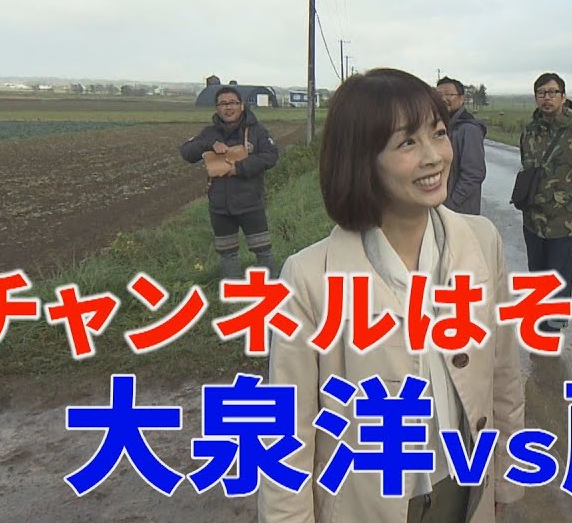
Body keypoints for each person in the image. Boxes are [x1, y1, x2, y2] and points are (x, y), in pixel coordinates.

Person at [258, 68, 525, 523]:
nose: (434, 157)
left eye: (438, 133)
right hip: (363, 503)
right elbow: (288, 432)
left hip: (463, 489)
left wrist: (504, 475)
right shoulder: (309, 277)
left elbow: (502, 371)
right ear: (362, 159)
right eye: (407, 143)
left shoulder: (481, 240)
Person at [517, 73, 572, 332]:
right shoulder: (530, 131)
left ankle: (553, 325)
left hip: (563, 221)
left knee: (559, 273)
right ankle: (538, 318)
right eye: (541, 93)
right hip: (533, 217)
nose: (547, 98)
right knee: (537, 272)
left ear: (563, 96)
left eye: (552, 92)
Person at [179, 85, 279, 279]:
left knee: (263, 251)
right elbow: (186, 152)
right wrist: (209, 145)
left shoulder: (257, 131)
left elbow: (271, 156)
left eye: (232, 103)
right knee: (227, 255)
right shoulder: (209, 133)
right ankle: (232, 292)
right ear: (217, 108)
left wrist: (239, 168)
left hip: (251, 204)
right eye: (223, 104)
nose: (228, 107)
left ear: (241, 105)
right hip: (220, 208)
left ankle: (272, 288)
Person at [436, 76, 488, 215]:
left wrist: (451, 204)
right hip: (441, 208)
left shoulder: (468, 129)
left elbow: (474, 174)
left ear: (461, 98)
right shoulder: (440, 127)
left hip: (460, 211)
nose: (443, 99)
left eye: (449, 94)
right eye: (438, 95)